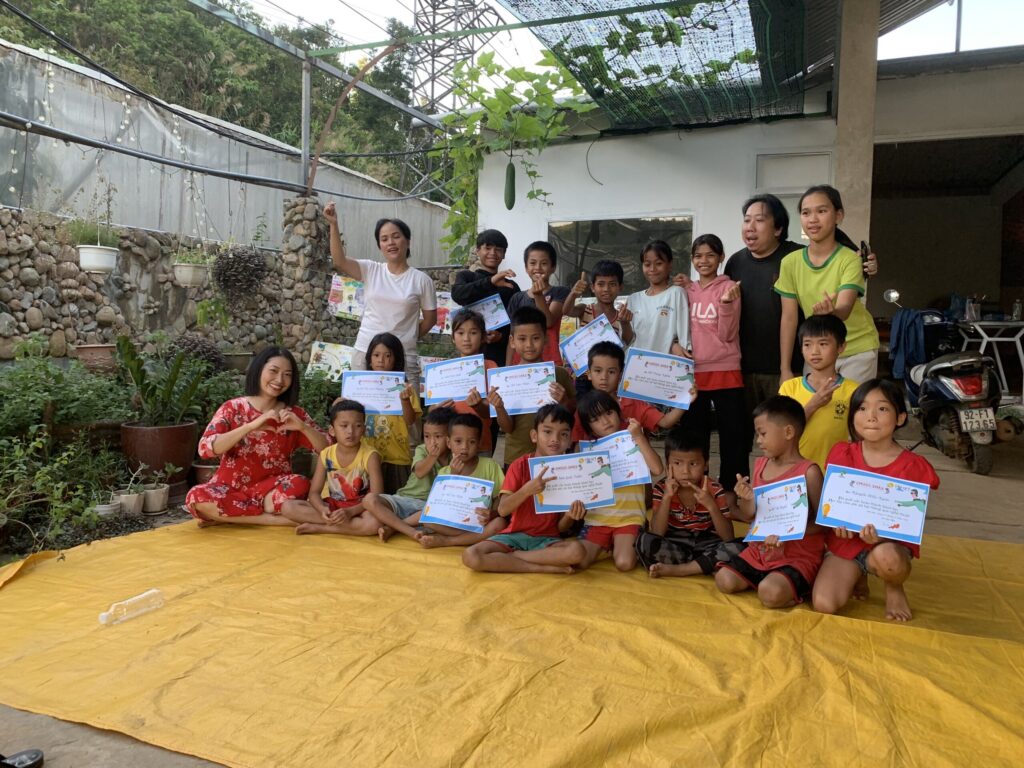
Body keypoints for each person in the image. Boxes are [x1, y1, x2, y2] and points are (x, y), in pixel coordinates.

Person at [812, 379, 940, 622]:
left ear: (900, 418)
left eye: (882, 408)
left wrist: (882, 537)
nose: (871, 416)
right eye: (862, 408)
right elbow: (833, 504)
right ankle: (859, 575)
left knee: (888, 559)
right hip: (846, 543)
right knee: (824, 604)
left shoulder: (913, 466)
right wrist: (836, 522)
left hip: (887, 546)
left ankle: (894, 586)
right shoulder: (841, 453)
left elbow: (909, 521)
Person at [185, 347, 328, 526]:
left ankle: (228, 515)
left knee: (300, 483)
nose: (279, 380)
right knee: (196, 497)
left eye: (287, 375)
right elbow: (205, 449)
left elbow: (329, 450)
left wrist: (303, 427)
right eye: (273, 371)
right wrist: (250, 426)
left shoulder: (294, 414)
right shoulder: (233, 408)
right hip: (229, 489)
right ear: (259, 369)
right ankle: (275, 520)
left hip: (271, 491)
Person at [716, 396, 826, 608]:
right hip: (760, 551)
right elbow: (749, 514)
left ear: (788, 432)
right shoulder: (760, 465)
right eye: (757, 434)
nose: (758, 440)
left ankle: (794, 582)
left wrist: (787, 532)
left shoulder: (809, 472)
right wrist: (746, 497)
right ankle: (773, 578)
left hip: (797, 554)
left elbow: (824, 523)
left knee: (770, 594)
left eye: (763, 433)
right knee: (724, 580)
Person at [462, 404, 587, 574]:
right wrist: (526, 490)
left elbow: (561, 528)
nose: (555, 439)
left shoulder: (571, 471)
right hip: (513, 536)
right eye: (547, 431)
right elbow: (503, 510)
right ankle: (540, 567)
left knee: (577, 551)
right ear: (534, 436)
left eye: (563, 434)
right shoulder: (519, 465)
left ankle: (515, 557)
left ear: (570, 439)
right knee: (470, 555)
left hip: (547, 540)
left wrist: (569, 516)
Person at [324, 201, 437, 388]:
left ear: (408, 241)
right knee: (360, 405)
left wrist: (408, 337)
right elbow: (339, 261)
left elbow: (430, 319)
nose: (390, 242)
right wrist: (333, 224)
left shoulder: (422, 280)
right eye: (384, 239)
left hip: (403, 356)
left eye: (396, 237)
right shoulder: (371, 269)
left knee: (407, 405)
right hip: (365, 352)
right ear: (379, 246)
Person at [774, 185, 880, 384]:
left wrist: (832, 313)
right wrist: (785, 369)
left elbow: (844, 309)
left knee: (849, 403)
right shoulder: (790, 262)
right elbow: (789, 319)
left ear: (838, 216)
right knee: (816, 403)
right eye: (806, 213)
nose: (813, 219)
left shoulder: (850, 259)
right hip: (817, 350)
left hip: (857, 349)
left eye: (821, 211)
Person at [682, 234, 746, 493]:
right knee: (695, 435)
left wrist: (727, 303)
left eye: (710, 255)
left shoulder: (729, 287)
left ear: (721, 257)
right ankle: (698, 488)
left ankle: (733, 491)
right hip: (693, 373)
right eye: (698, 256)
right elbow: (679, 329)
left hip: (726, 369)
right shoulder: (687, 291)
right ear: (692, 259)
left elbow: (728, 334)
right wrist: (676, 346)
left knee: (733, 435)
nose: (704, 261)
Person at [574, 391, 663, 572]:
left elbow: (657, 469)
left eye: (609, 413)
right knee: (580, 562)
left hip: (629, 518)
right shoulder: (585, 450)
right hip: (597, 519)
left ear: (618, 412)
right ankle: (610, 543)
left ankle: (624, 540)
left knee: (624, 563)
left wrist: (639, 437)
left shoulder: (634, 438)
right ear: (589, 428)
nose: (605, 421)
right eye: (596, 419)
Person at [638, 430, 745, 579]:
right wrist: (667, 497)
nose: (685, 471)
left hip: (707, 542)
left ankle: (682, 569)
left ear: (706, 465)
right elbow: (657, 532)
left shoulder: (714, 489)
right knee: (644, 541)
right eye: (677, 463)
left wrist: (711, 505)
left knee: (740, 546)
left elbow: (728, 537)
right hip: (675, 542)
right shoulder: (662, 489)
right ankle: (705, 565)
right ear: (668, 465)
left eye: (693, 464)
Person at [280, 399, 384, 535]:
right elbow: (314, 493)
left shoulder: (370, 456)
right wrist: (322, 509)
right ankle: (345, 525)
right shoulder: (326, 454)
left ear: (364, 429)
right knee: (287, 507)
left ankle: (321, 527)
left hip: (361, 508)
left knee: (374, 523)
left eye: (358, 426)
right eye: (344, 426)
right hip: (334, 506)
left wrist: (350, 512)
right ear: (332, 430)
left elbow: (377, 496)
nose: (350, 431)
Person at [411, 413, 507, 549]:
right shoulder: (445, 472)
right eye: (458, 441)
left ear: (479, 443)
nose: (464, 447)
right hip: (453, 523)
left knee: (499, 523)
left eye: (472, 442)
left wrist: (492, 514)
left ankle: (448, 541)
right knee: (427, 518)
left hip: (479, 523)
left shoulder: (490, 466)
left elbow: (499, 498)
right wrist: (453, 477)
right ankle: (467, 538)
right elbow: (441, 505)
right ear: (448, 443)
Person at [778, 315, 860, 470]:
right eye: (807, 344)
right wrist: (813, 405)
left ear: (841, 347)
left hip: (834, 474)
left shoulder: (853, 390)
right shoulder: (789, 388)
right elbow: (781, 433)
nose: (814, 351)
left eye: (823, 344)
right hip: (794, 473)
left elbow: (861, 439)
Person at [498, 306, 576, 468]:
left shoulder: (560, 374)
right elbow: (507, 428)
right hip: (516, 457)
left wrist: (564, 402)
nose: (529, 345)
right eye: (522, 339)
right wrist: (499, 407)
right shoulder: (505, 379)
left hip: (554, 455)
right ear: (512, 341)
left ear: (546, 339)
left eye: (535, 338)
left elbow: (572, 413)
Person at [367, 406, 456, 543]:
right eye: (427, 436)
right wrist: (432, 456)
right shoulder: (422, 450)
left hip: (428, 508)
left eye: (438, 436)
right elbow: (419, 472)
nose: (432, 442)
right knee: (370, 499)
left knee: (443, 513)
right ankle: (410, 529)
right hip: (405, 499)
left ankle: (395, 527)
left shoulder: (455, 457)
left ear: (450, 438)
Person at [570, 341, 686, 442]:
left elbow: (665, 422)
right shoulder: (583, 407)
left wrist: (686, 397)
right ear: (589, 374)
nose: (604, 377)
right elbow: (576, 444)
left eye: (611, 372)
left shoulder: (632, 403)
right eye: (598, 371)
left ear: (621, 374)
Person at [428, 309, 500, 455]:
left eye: (473, 333)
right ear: (453, 338)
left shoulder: (491, 367)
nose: (466, 338)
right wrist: (437, 408)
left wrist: (479, 406)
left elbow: (495, 412)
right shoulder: (443, 371)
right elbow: (431, 411)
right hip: (449, 447)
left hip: (480, 444)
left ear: (483, 337)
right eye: (460, 333)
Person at [563, 259, 634, 397]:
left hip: (607, 379)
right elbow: (567, 311)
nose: (606, 289)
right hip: (584, 376)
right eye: (601, 284)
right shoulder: (585, 309)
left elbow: (628, 339)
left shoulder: (621, 316)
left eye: (612, 284)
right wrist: (573, 293)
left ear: (620, 287)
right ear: (592, 287)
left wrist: (625, 323)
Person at [360, 332, 421, 494]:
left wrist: (405, 401)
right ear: (369, 359)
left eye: (388, 355)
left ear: (396, 360)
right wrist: (341, 403)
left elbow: (410, 421)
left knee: (394, 500)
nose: (381, 360)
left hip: (396, 456)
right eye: (376, 355)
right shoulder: (359, 387)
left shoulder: (405, 388)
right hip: (365, 455)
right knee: (367, 499)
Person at [451, 229, 518, 366]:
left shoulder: (510, 286)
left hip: (500, 357)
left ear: (504, 254)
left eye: (498, 249)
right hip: (469, 356)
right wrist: (491, 282)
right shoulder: (467, 277)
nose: (492, 253)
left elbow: (517, 322)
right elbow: (458, 294)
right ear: (477, 251)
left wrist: (501, 336)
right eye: (487, 248)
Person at [505, 241, 569, 365]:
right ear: (526, 267)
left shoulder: (560, 292)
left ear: (553, 267)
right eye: (533, 263)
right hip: (520, 363)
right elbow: (511, 336)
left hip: (549, 362)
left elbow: (548, 322)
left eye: (544, 263)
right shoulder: (517, 298)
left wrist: (538, 295)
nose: (538, 267)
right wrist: (507, 366)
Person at [626, 240, 689, 356]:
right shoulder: (633, 299)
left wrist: (684, 356)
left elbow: (684, 337)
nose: (652, 269)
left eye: (659, 263)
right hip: (636, 364)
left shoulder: (676, 293)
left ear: (670, 265)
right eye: (647, 264)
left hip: (665, 365)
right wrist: (623, 322)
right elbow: (628, 340)